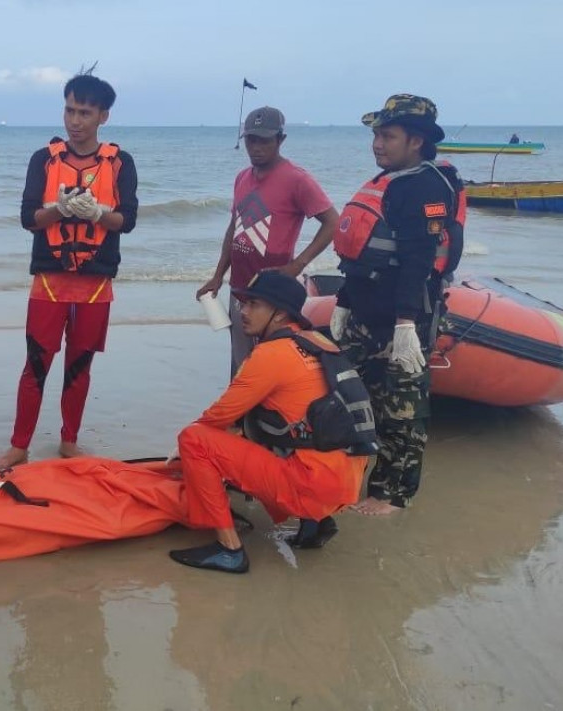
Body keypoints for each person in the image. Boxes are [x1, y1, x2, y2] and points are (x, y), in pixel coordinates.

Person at [168, 272, 372, 574]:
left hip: (313, 485)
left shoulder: (272, 354)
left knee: (193, 439)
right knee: (274, 426)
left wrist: (182, 453)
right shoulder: (317, 341)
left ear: (280, 313)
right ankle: (314, 526)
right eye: (242, 304)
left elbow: (218, 416)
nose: (243, 312)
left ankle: (229, 549)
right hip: (348, 479)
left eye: (253, 305)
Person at [0, 72, 138, 471]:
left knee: (79, 365)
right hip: (50, 281)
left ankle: (69, 441)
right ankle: (19, 446)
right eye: (70, 109)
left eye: (84, 112)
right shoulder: (43, 159)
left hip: (95, 284)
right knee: (36, 364)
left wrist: (99, 214)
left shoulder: (121, 163)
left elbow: (129, 221)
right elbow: (28, 218)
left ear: (103, 116)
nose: (75, 120)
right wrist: (60, 209)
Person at [330, 94, 464, 516]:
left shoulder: (425, 187)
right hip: (366, 315)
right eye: (375, 135)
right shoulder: (389, 182)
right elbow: (362, 252)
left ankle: (393, 495)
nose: (377, 144)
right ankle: (352, 474)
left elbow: (417, 263)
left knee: (402, 409)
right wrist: (343, 302)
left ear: (417, 141)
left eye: (388, 135)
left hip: (404, 319)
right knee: (351, 393)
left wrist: (407, 324)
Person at [197, 106, 339, 376]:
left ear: (280, 140)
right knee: (240, 364)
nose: (256, 147)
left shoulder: (297, 179)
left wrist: (297, 265)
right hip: (240, 289)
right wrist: (218, 276)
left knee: (270, 367)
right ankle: (242, 418)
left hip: (274, 295)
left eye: (264, 140)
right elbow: (233, 228)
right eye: (251, 140)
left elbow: (332, 222)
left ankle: (266, 417)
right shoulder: (242, 178)